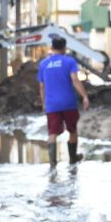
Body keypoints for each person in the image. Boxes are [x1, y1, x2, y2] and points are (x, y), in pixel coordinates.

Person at [38, 36, 90, 169]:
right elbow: (75, 79)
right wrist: (84, 96)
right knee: (72, 130)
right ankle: (72, 158)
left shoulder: (43, 64)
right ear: (64, 48)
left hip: (52, 105)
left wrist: (44, 103)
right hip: (68, 103)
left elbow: (42, 86)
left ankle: (53, 163)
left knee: (52, 133)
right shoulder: (69, 61)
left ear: (52, 47)